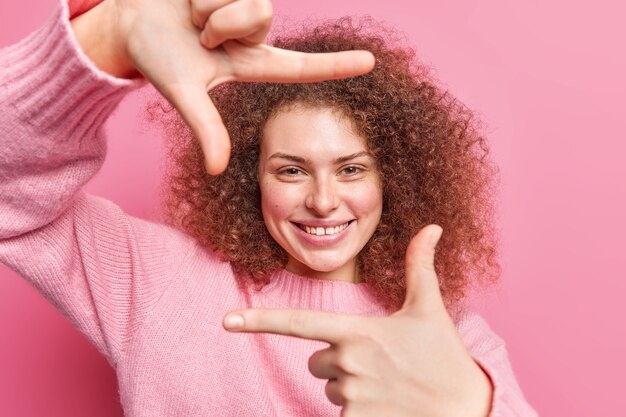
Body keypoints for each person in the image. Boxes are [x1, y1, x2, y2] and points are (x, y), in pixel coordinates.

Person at [0, 0, 538, 416]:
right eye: (291, 170)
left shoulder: (448, 337)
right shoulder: (154, 278)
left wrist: (467, 404)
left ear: (390, 181)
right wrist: (106, 37)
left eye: (351, 169)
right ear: (249, 178)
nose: (324, 202)